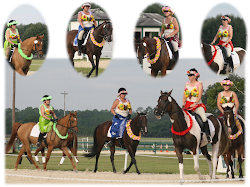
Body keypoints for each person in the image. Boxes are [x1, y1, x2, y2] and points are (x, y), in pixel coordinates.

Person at [182, 68, 212, 143]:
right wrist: (183, 103)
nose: (189, 77)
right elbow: (184, 95)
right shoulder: (186, 84)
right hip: (187, 105)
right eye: (188, 75)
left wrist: (195, 103)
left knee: (204, 118)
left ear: (195, 76)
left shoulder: (199, 84)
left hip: (197, 105)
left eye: (191, 75)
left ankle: (208, 135)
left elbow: (199, 96)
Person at [217, 78, 247, 149]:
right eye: (224, 85)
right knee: (217, 124)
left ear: (230, 85)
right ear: (222, 85)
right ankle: (218, 141)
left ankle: (244, 141)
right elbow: (218, 104)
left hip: (233, 111)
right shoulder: (220, 94)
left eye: (227, 85)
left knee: (244, 123)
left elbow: (236, 103)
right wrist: (222, 111)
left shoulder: (233, 93)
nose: (226, 86)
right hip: (224, 112)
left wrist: (236, 110)